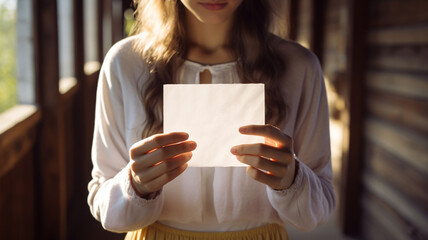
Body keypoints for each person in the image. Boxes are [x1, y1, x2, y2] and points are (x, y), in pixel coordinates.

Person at [88, 0, 335, 239]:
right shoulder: (125, 63)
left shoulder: (299, 67)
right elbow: (102, 202)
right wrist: (135, 185)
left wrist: (293, 179)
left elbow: (321, 206)